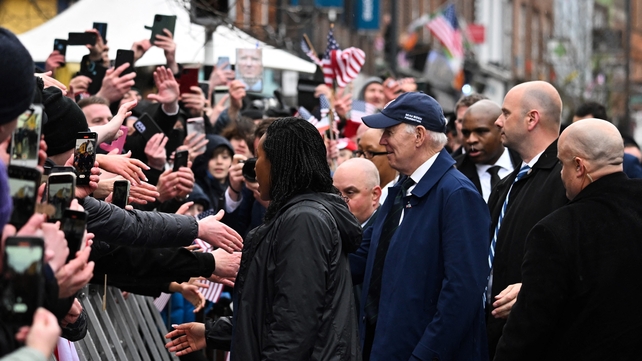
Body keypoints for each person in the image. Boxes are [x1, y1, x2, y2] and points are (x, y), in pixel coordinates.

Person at [165, 117, 362, 360]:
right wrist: (213, 333)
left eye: (259, 157)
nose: (255, 167)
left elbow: (294, 323)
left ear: (279, 164)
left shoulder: (305, 220)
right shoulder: (298, 214)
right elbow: (268, 312)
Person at [355, 92, 491, 360]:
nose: (382, 141)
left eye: (389, 132)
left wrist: (425, 354)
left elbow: (462, 293)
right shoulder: (401, 189)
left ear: (418, 135)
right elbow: (361, 257)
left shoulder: (457, 194)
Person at [494, 118, 642, 360]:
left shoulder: (556, 231)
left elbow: (527, 332)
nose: (561, 174)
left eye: (562, 164)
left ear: (579, 166)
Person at [486, 81, 569, 359]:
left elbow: (582, 260)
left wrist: (533, 289)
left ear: (532, 119)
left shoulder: (565, 181)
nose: (498, 122)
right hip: (496, 336)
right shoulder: (507, 184)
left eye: (506, 113)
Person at [454, 100, 520, 202]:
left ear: (501, 130)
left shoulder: (526, 163)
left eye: (480, 132)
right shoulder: (453, 172)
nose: (471, 140)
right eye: (466, 133)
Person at [572, 100, 642, 178]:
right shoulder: (570, 162)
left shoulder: (627, 163)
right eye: (573, 128)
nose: (577, 134)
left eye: (584, 128)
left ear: (601, 127)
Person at [333, 157, 381, 227]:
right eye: (335, 192)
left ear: (375, 195)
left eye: (349, 193)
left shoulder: (387, 234)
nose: (340, 200)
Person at [356, 128, 398, 203]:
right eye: (359, 152)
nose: (361, 158)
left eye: (370, 153)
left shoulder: (400, 199)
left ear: (391, 154)